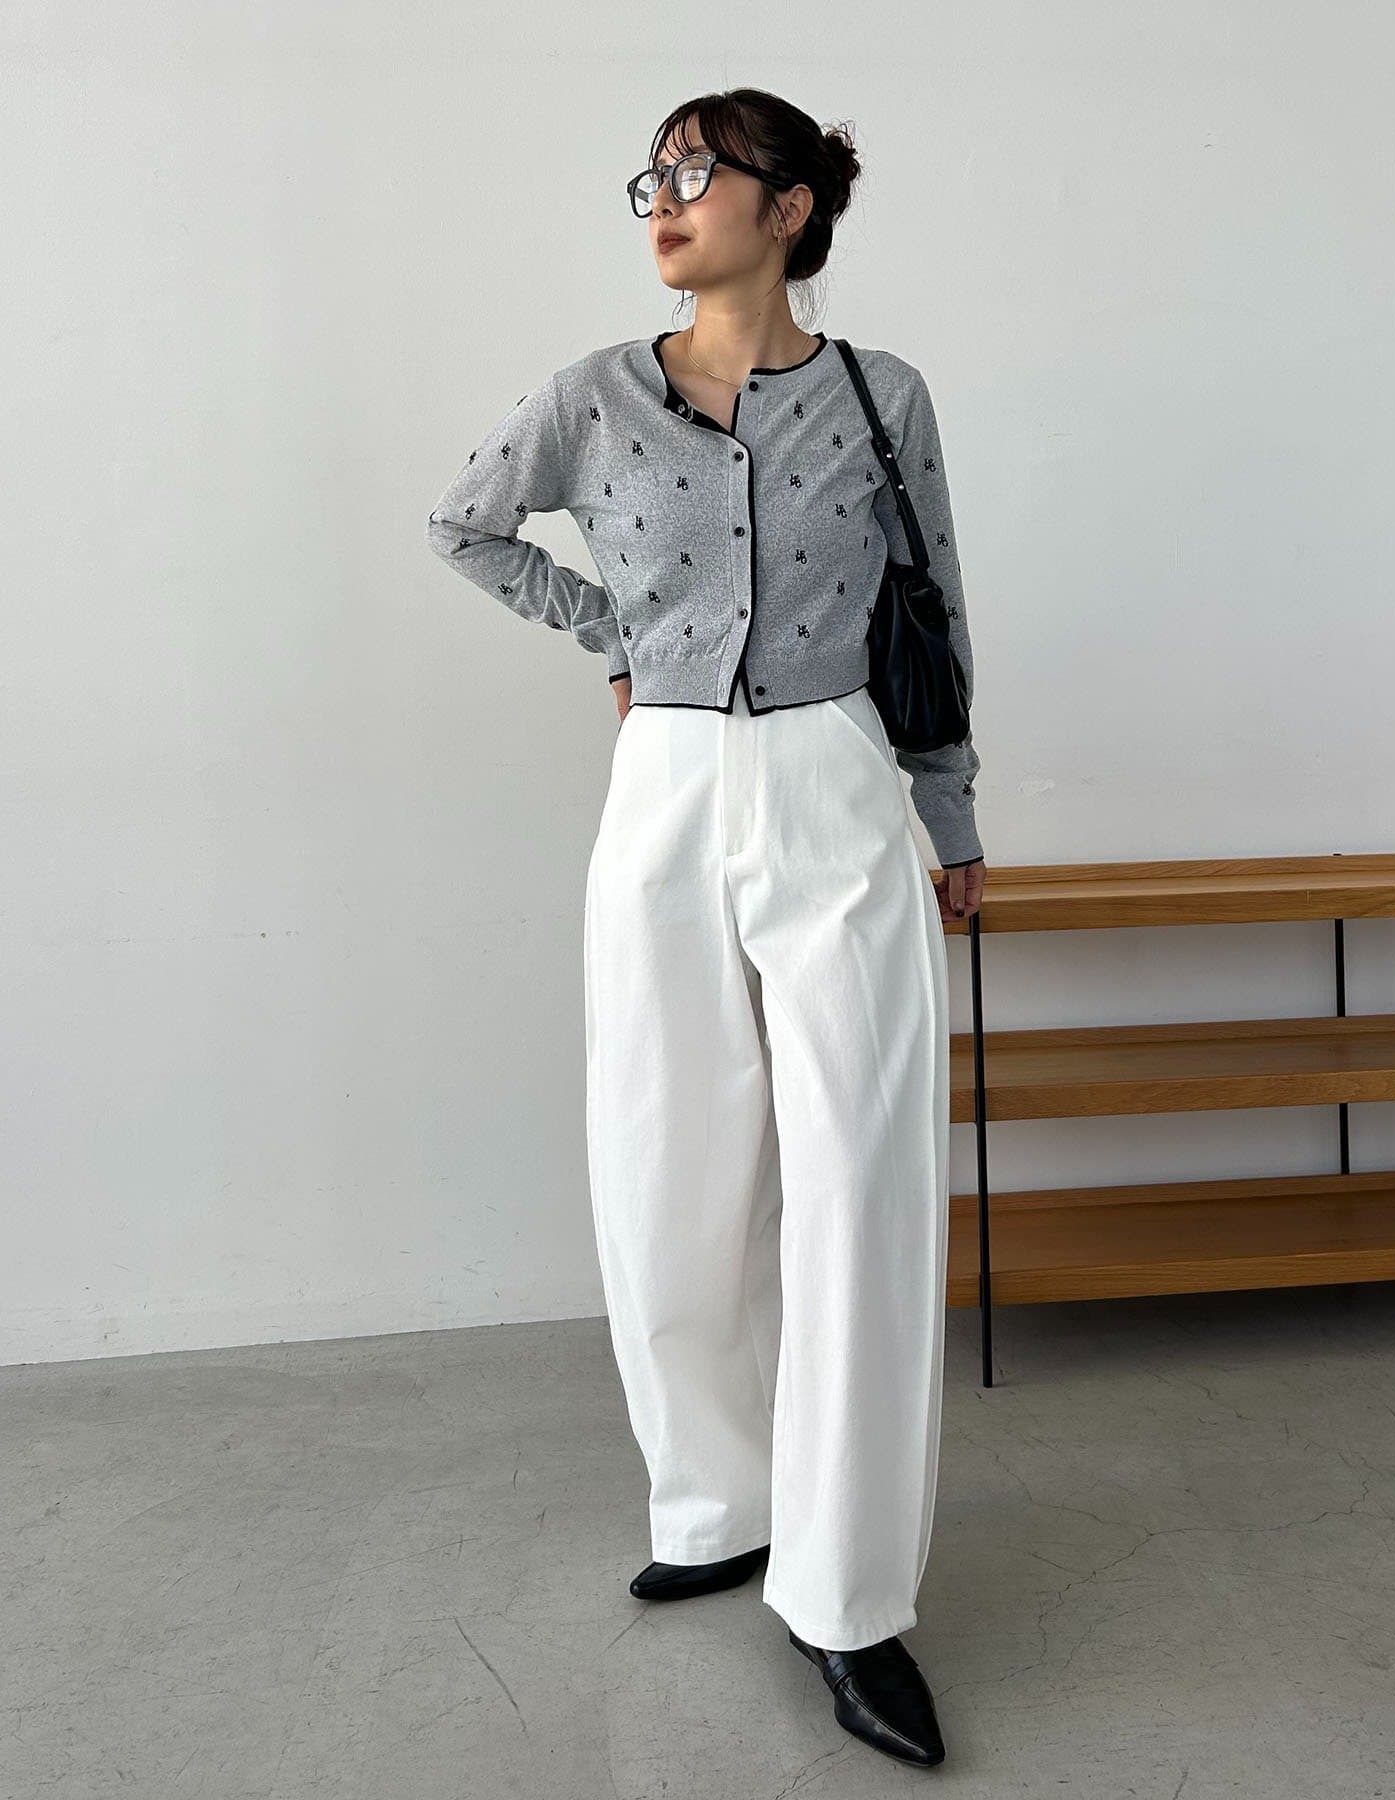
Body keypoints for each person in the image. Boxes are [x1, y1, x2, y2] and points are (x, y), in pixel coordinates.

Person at [426, 86, 986, 1771]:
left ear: (790, 205)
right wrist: (617, 636)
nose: (663, 199)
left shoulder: (885, 397)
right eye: (652, 176)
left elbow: (937, 609)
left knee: (862, 1188)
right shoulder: (591, 397)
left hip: (836, 782)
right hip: (666, 792)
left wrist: (952, 817)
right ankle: (720, 1502)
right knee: (668, 1169)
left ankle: (848, 1594)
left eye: (698, 171)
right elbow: (462, 525)